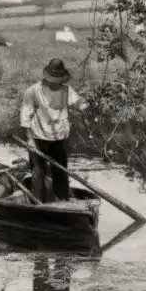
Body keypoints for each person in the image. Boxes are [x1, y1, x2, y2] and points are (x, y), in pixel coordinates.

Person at [20, 57, 88, 202]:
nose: (56, 81)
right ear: (48, 76)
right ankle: (37, 205)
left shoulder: (67, 91)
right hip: (39, 140)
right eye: (54, 78)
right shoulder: (33, 91)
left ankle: (63, 203)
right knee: (38, 174)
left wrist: (85, 103)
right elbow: (25, 117)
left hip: (59, 140)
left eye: (58, 78)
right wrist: (30, 140)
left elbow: (78, 103)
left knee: (61, 174)